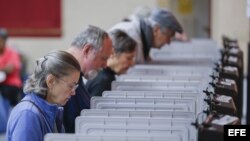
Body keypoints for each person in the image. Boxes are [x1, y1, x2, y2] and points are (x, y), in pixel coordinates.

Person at [6, 50, 81, 141]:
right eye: (71, 86)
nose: (74, 92)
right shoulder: (28, 115)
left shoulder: (51, 110)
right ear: (51, 81)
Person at [64, 25, 113, 133]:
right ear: (87, 50)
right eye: (103, 58)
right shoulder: (63, 80)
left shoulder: (77, 76)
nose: (105, 65)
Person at [110, 8, 184, 63]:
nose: (168, 42)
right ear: (156, 30)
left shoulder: (142, 37)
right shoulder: (132, 37)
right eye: (168, 36)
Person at [86, 29, 137, 97]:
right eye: (129, 58)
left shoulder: (106, 76)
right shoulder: (103, 81)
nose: (132, 64)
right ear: (113, 53)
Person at [0, 28, 22, 106]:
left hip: (11, 84)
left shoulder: (12, 53)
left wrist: (2, 69)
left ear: (4, 41)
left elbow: (10, 68)